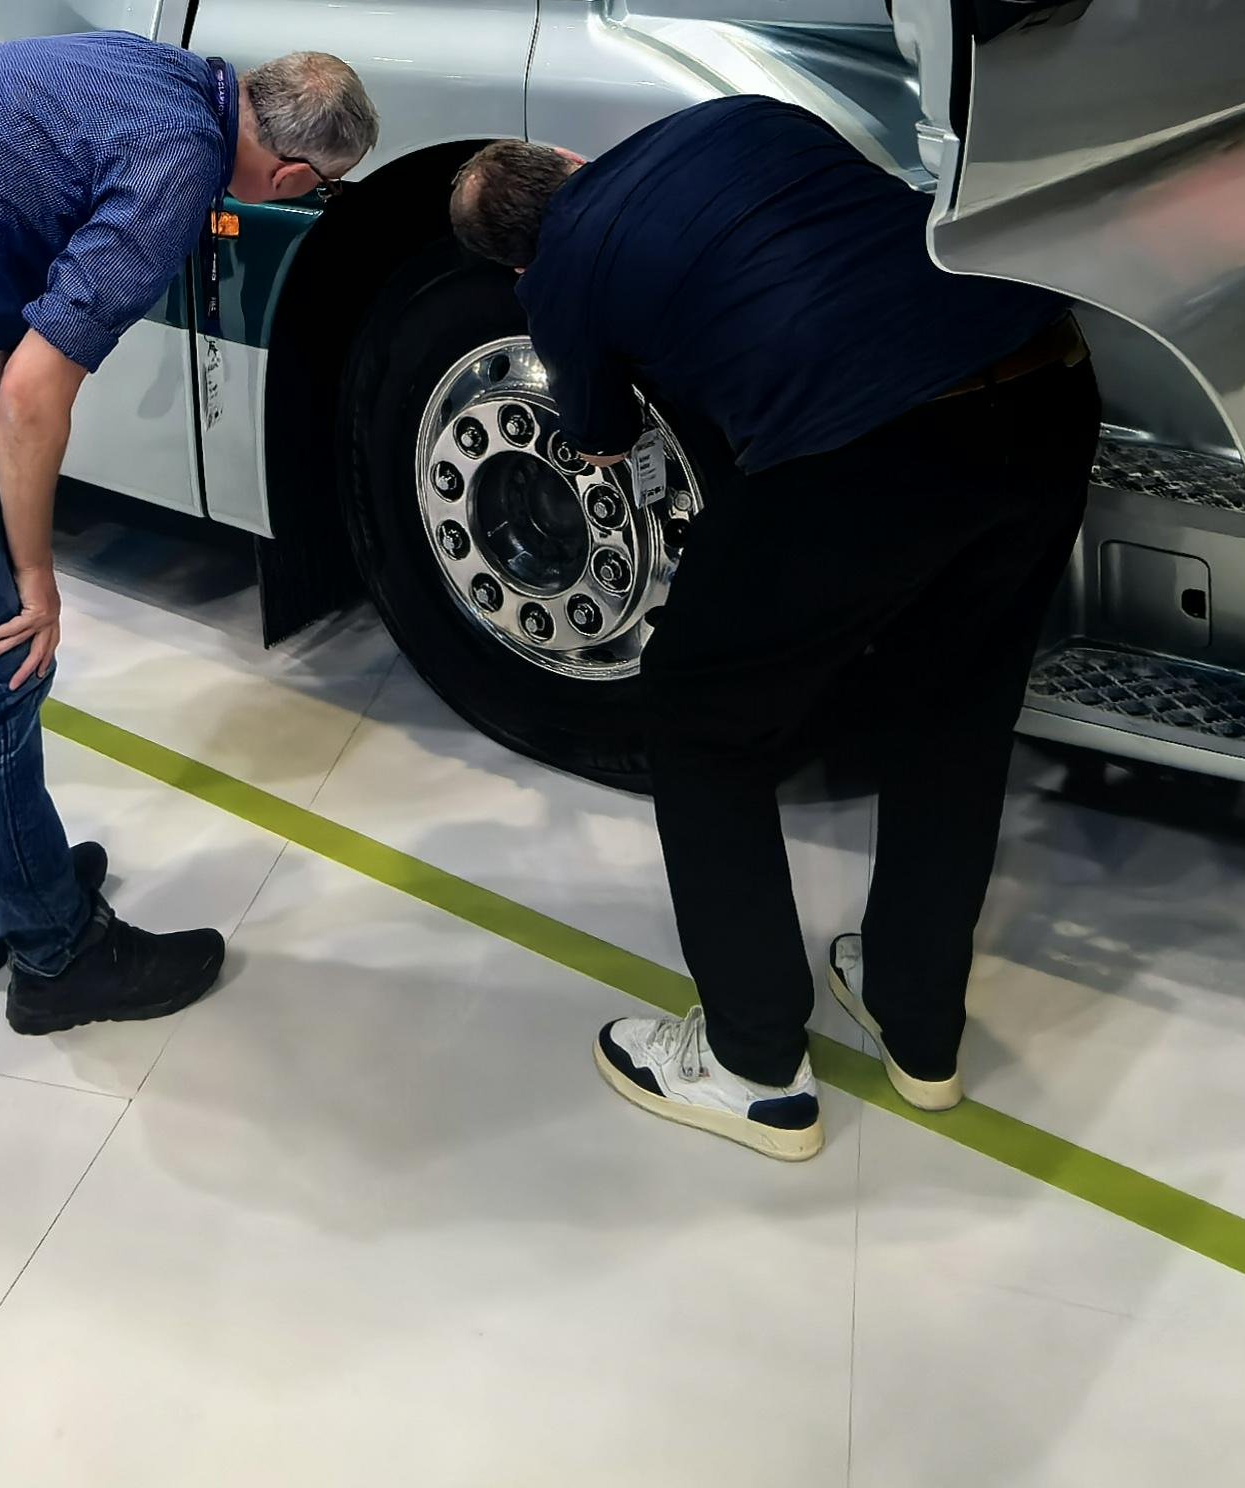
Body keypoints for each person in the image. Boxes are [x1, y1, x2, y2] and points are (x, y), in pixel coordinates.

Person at [450, 100, 1096, 1161]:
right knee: (957, 711)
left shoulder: (557, 274)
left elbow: (602, 438)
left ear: (515, 266)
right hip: (1047, 381)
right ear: (571, 156)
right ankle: (916, 1018)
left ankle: (751, 1064)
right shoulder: (738, 117)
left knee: (697, 721)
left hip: (873, 446)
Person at [0, 35, 377, 1033]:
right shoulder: (178, 170)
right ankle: (59, 956)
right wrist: (36, 574)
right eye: (321, 190)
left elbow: (14, 255)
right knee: (1, 658)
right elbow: (32, 393)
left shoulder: (165, 76)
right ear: (293, 176)